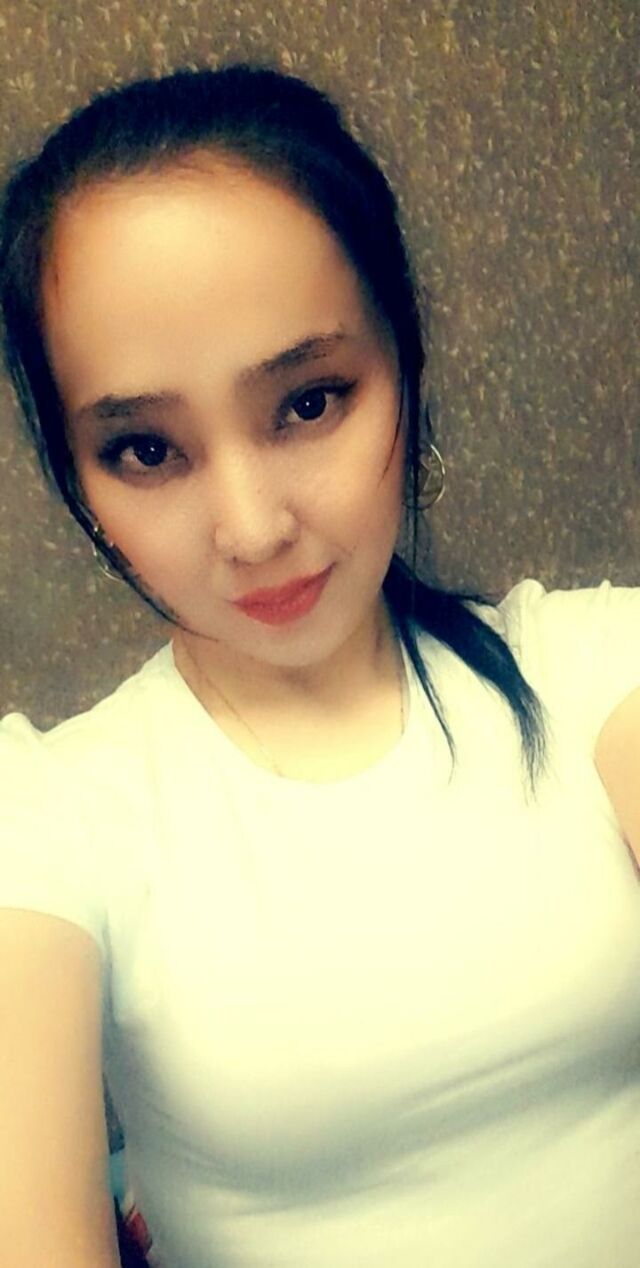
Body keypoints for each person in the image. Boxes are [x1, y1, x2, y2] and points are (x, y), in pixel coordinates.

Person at [0, 62, 638, 1268]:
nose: (251, 529)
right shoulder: (49, 816)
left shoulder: (593, 667)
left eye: (307, 402)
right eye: (145, 450)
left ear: (405, 362)